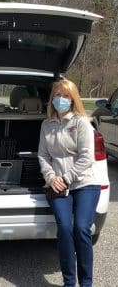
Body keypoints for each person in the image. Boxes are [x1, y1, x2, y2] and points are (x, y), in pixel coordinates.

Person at [38, 79, 101, 287]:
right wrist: (51, 177)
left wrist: (65, 178)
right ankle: (69, 282)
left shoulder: (82, 122)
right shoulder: (46, 125)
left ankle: (86, 283)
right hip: (57, 186)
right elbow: (43, 156)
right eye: (57, 95)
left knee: (82, 228)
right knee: (64, 228)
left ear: (73, 99)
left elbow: (87, 157)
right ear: (52, 98)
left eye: (66, 96)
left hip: (84, 184)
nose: (61, 100)